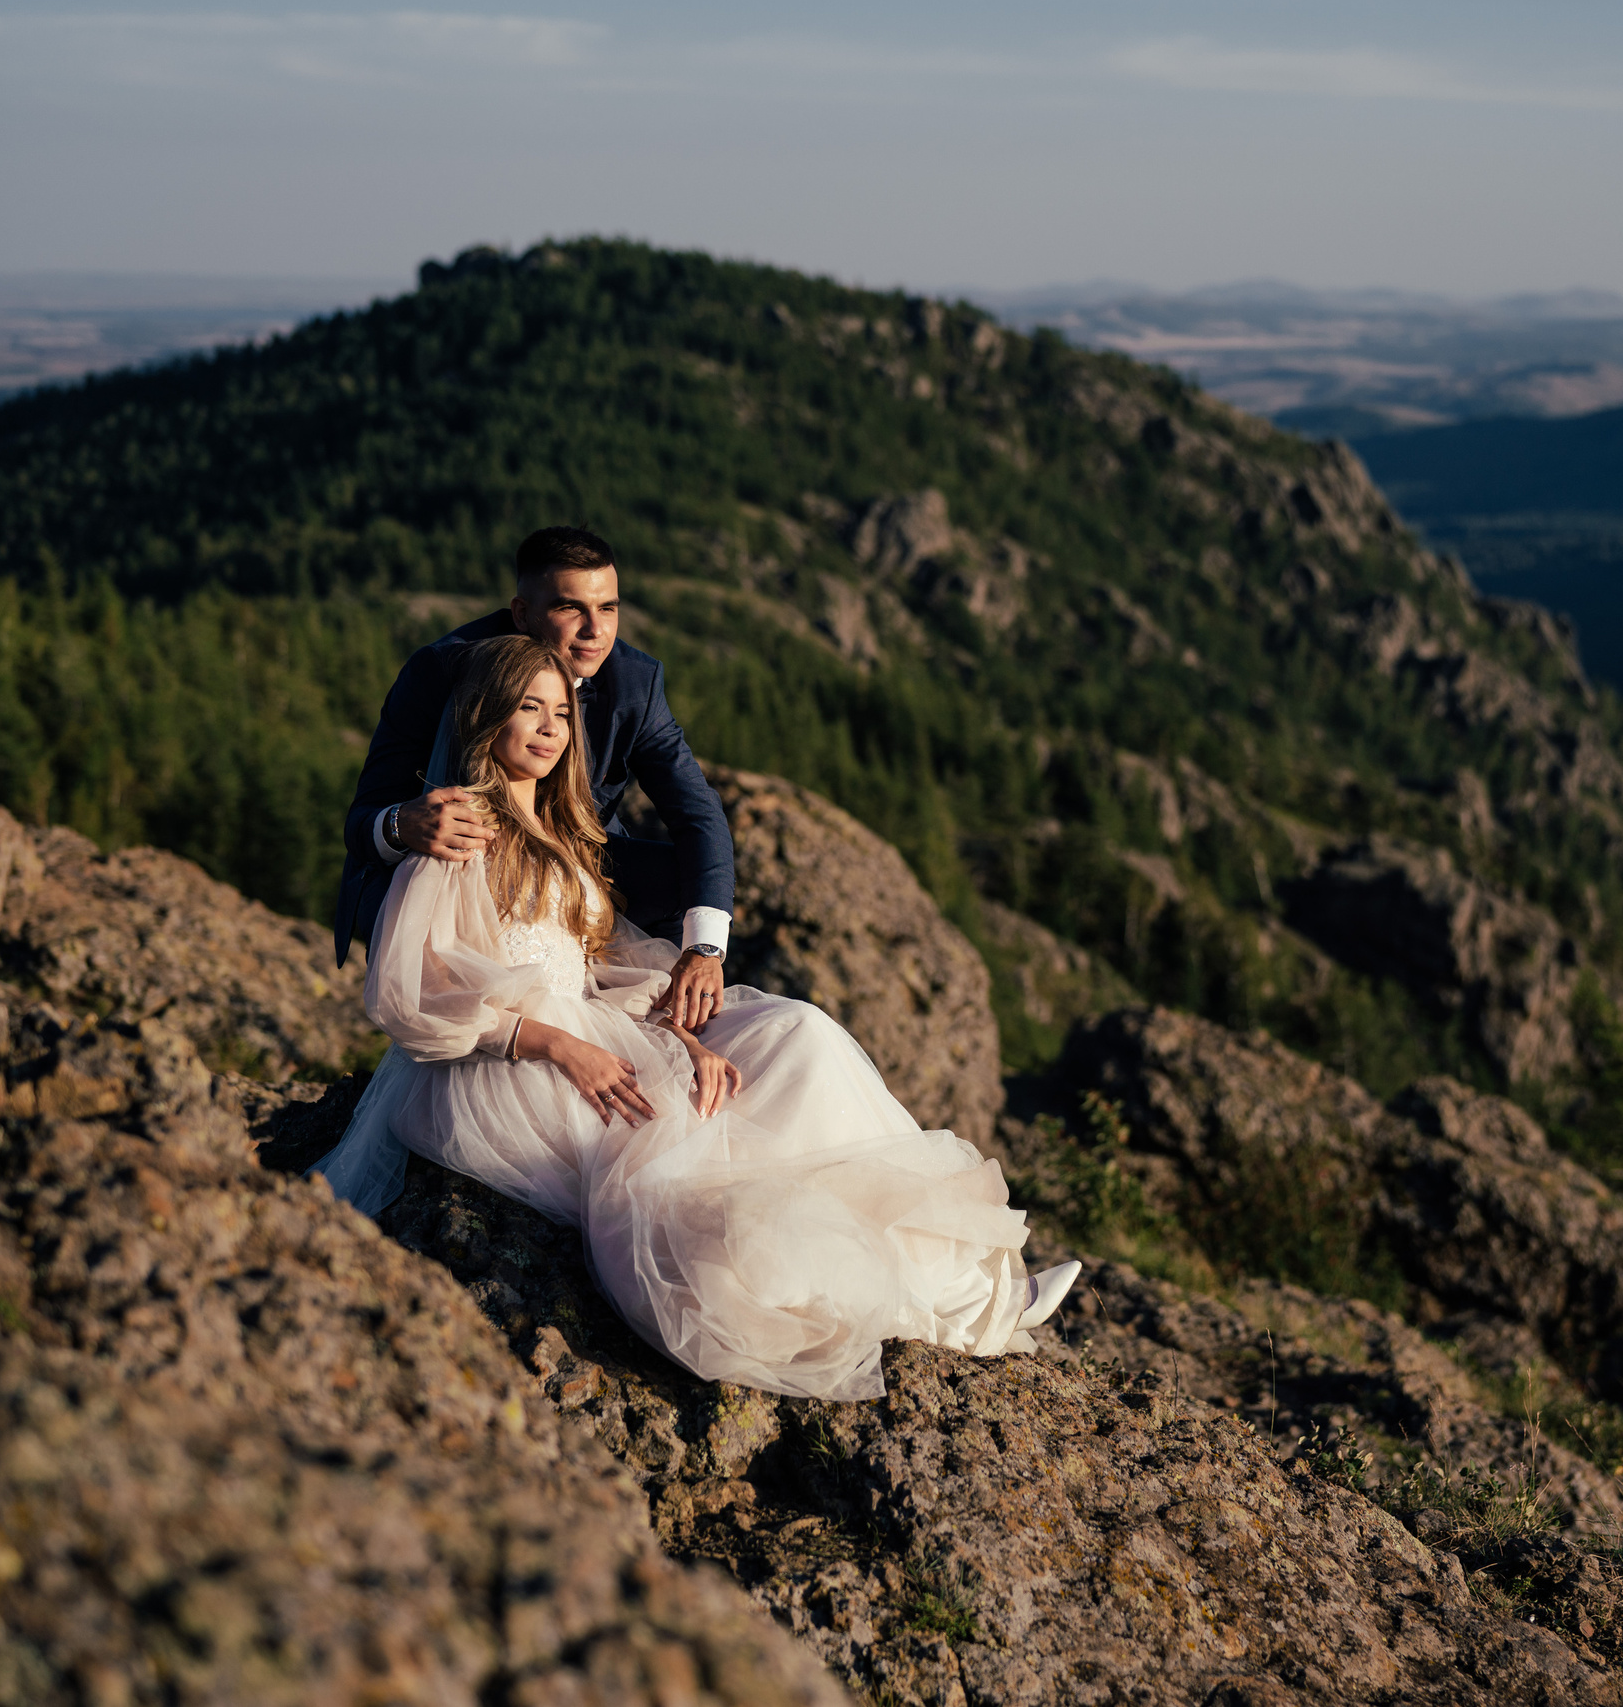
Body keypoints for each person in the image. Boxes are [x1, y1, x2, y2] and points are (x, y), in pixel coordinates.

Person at [312, 634, 1081, 1400]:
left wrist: (681, 1040)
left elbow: (593, 973)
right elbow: (409, 997)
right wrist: (561, 1048)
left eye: (560, 713)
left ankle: (964, 1280)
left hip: (592, 1022)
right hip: (505, 1062)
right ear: (485, 719)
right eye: (528, 709)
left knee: (798, 1035)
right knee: (694, 1146)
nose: (549, 729)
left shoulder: (564, 828)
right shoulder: (459, 830)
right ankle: (932, 1307)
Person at [335, 526, 735, 1041]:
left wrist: (704, 950)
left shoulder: (635, 681)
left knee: (695, 876)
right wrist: (401, 824)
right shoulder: (442, 669)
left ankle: (662, 1018)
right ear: (522, 613)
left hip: (574, 857)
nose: (596, 631)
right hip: (461, 868)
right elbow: (364, 815)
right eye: (572, 608)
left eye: (609, 608)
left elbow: (697, 812)